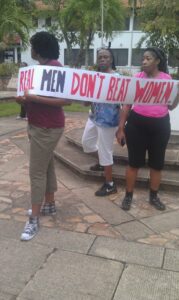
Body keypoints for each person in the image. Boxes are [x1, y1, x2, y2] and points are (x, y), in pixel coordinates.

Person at [16, 31, 71, 241]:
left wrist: (34, 98)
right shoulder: (39, 69)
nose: (30, 49)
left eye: (31, 45)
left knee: (36, 172)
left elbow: (66, 101)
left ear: (38, 48)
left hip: (48, 128)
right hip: (37, 125)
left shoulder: (55, 68)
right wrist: (24, 100)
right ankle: (49, 205)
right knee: (46, 166)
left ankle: (34, 220)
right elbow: (35, 98)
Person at [116, 47, 179, 211]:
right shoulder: (137, 78)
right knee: (133, 163)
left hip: (160, 127)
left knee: (157, 165)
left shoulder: (167, 79)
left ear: (157, 61)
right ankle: (128, 196)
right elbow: (126, 105)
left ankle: (154, 196)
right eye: (143, 58)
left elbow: (171, 106)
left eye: (148, 58)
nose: (143, 61)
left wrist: (177, 92)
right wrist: (121, 128)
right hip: (137, 125)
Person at [82, 48, 120, 196]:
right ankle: (102, 162)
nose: (102, 59)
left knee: (106, 151)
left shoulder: (117, 78)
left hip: (109, 120)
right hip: (94, 116)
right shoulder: (94, 77)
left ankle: (110, 184)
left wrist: (122, 125)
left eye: (106, 57)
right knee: (87, 143)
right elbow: (87, 100)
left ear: (111, 60)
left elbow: (123, 101)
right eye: (100, 57)